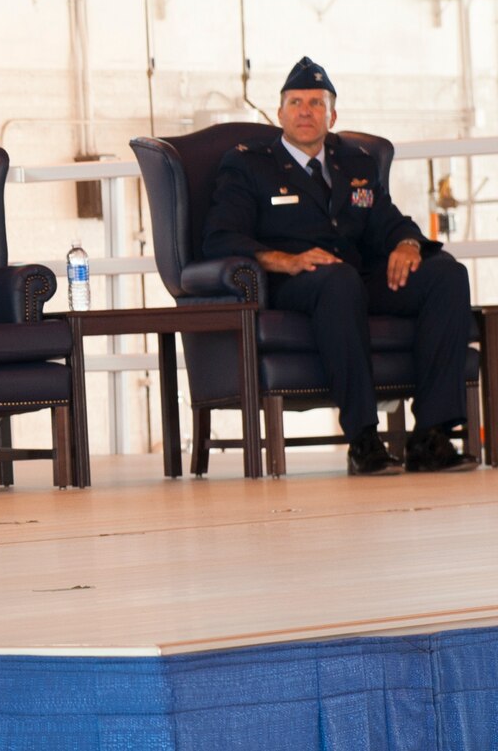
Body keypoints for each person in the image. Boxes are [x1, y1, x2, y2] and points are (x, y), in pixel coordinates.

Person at [203, 56, 474, 476]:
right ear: (279, 113)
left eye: (316, 102)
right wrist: (285, 260)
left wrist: (406, 243)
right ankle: (363, 439)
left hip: (356, 276)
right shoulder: (250, 163)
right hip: (294, 282)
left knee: (447, 275)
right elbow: (221, 236)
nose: (305, 111)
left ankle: (432, 437)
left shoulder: (357, 162)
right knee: (339, 282)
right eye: (295, 103)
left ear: (333, 114)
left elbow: (388, 220)